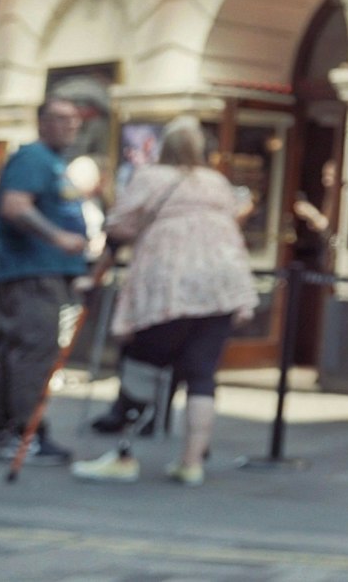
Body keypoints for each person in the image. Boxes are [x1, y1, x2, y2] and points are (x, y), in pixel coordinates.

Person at [71, 114, 258, 485]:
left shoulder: (151, 178)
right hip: (221, 283)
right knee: (202, 373)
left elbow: (118, 226)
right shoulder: (216, 182)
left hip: (169, 285)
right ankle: (191, 462)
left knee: (143, 366)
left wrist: (97, 274)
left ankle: (124, 455)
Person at [0, 97, 89, 463]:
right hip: (31, 272)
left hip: (40, 270)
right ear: (42, 122)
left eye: (74, 120)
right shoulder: (33, 158)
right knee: (34, 351)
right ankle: (26, 432)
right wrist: (58, 237)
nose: (70, 126)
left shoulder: (51, 162)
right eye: (60, 118)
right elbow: (15, 206)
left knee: (16, 350)